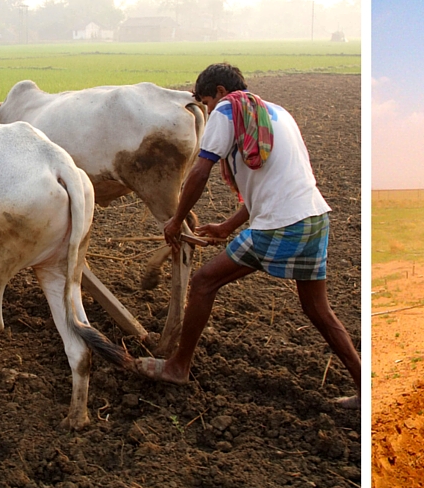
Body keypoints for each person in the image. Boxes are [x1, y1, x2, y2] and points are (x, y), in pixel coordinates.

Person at [136, 63, 361, 408]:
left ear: (221, 93)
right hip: (314, 218)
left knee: (203, 282)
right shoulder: (278, 113)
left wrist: (176, 219)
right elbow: (274, 183)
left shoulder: (229, 109)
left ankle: (178, 367)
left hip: (280, 225)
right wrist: (228, 226)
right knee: (318, 310)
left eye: (207, 103)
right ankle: (364, 388)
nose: (209, 111)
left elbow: (200, 170)